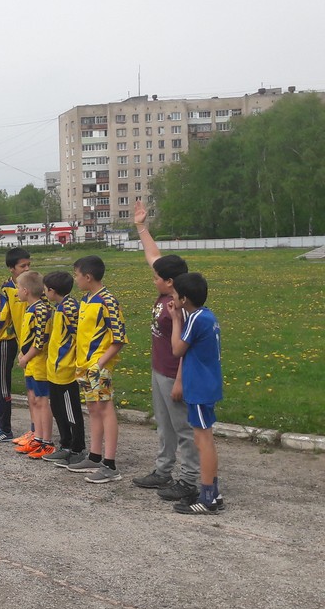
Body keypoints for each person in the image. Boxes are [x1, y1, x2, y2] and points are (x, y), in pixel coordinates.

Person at [131, 199, 200, 502]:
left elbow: (188, 348)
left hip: (175, 375)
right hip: (160, 370)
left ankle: (189, 479)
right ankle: (163, 470)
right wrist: (141, 227)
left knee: (183, 428)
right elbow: (154, 256)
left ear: (170, 282)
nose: (153, 278)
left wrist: (181, 381)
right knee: (164, 425)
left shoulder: (181, 305)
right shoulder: (168, 291)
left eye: (157, 277)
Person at [65, 255, 129, 484]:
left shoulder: (107, 300)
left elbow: (119, 337)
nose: (76, 279)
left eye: (77, 275)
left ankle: (110, 464)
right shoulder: (85, 300)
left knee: (105, 409)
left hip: (98, 366)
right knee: (92, 409)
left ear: (88, 277)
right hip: (83, 366)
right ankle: (94, 456)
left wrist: (100, 363)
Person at [168, 272, 225, 515]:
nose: (172, 297)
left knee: (203, 442)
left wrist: (175, 320)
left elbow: (177, 349)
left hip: (199, 387)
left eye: (174, 294)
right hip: (207, 384)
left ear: (184, 298)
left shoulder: (194, 319)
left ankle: (208, 496)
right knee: (206, 440)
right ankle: (214, 491)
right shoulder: (207, 314)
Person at [0, 248, 30, 441]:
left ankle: (5, 429)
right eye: (22, 266)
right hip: (3, 341)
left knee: (2, 386)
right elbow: (2, 315)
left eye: (28, 265)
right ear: (11, 268)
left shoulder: (34, 286)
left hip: (14, 342)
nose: (27, 268)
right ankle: (0, 424)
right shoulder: (6, 288)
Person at [41, 271, 87, 466]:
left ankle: (78, 448)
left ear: (52, 291)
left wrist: (75, 364)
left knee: (71, 412)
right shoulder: (58, 307)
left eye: (45, 290)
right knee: (58, 410)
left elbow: (79, 337)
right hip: (54, 370)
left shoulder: (70, 309)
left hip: (66, 371)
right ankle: (65, 445)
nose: (44, 293)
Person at [13, 271, 55, 455]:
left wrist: (25, 357)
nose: (16, 292)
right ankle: (37, 437)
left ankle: (47, 441)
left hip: (39, 363)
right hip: (31, 362)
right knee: (33, 399)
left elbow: (40, 341)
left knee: (42, 400)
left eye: (17, 288)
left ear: (26, 290)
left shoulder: (41, 311)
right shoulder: (30, 309)